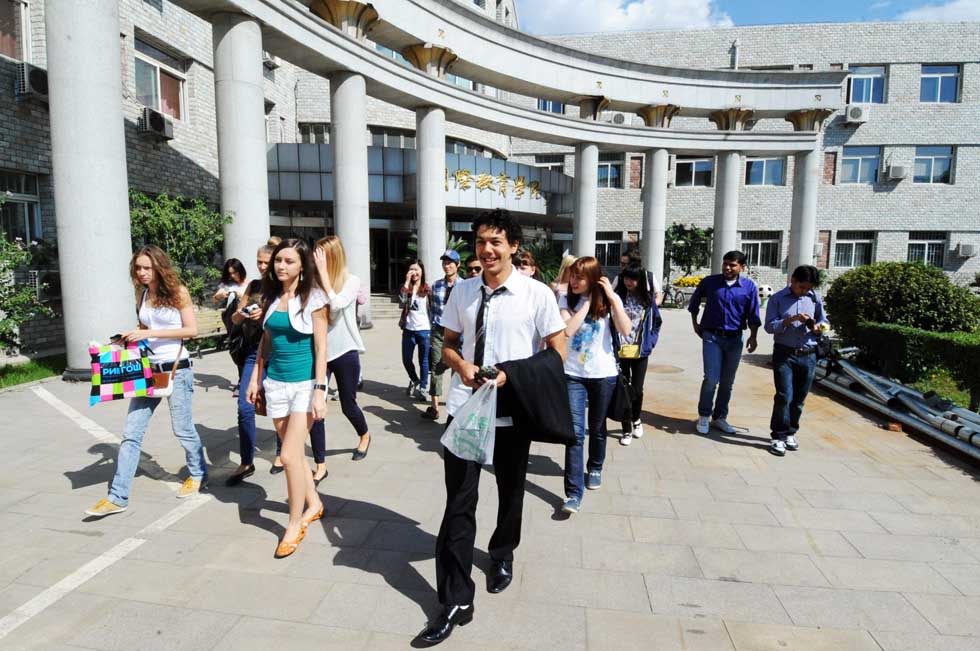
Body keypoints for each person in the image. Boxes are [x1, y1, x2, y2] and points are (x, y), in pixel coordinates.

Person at [416, 209, 566, 646]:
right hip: (466, 409)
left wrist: (511, 374)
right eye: (481, 241)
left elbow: (557, 351)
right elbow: (445, 344)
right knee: (458, 505)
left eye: (496, 241)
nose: (487, 249)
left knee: (510, 491)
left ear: (513, 246)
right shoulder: (461, 291)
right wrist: (460, 364)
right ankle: (456, 600)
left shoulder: (535, 294)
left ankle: (502, 552)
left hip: (512, 409)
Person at [85, 246, 207, 517]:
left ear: (159, 267)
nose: (141, 273)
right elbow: (145, 329)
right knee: (131, 433)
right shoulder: (143, 295)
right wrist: (130, 336)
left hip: (177, 369)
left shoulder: (178, 292)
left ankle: (198, 474)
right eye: (138, 268)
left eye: (147, 268)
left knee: (183, 429)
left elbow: (192, 330)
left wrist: (149, 332)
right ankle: (118, 497)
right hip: (147, 369)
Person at [246, 238, 328, 558]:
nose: (281, 266)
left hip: (305, 385)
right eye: (279, 260)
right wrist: (256, 377)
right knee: (294, 453)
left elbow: (322, 348)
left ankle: (294, 524)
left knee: (290, 455)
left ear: (302, 266)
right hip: (276, 384)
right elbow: (266, 342)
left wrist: (320, 391)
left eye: (289, 261)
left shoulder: (315, 298)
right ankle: (316, 503)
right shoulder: (269, 296)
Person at [558, 256, 631, 514]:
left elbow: (626, 329)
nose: (574, 281)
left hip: (603, 374)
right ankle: (573, 494)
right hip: (572, 374)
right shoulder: (565, 300)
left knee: (598, 427)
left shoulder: (610, 302)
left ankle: (596, 466)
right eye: (573, 276)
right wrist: (587, 304)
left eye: (580, 276)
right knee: (575, 434)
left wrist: (611, 298)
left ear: (593, 278)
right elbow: (567, 330)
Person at [688, 250, 761, 435]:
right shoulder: (710, 282)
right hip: (712, 336)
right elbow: (694, 302)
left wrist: (753, 336)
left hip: (735, 339)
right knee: (711, 379)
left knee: (727, 382)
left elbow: (753, 314)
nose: (727, 268)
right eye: (725, 264)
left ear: (742, 267)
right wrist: (695, 323)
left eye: (733, 265)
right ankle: (704, 415)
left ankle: (720, 417)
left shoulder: (749, 287)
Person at [313, 235, 372, 461]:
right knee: (317, 405)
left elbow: (336, 307)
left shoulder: (351, 280)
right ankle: (320, 462)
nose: (317, 262)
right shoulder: (316, 282)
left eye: (322, 257)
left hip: (345, 352)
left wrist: (325, 278)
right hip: (321, 353)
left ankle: (365, 435)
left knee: (349, 405)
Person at [764, 265, 828, 457]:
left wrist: (819, 327)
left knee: (799, 398)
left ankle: (791, 431)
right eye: (801, 287)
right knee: (784, 395)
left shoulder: (814, 298)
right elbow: (769, 327)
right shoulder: (777, 299)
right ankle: (778, 436)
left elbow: (825, 322)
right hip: (785, 353)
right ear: (792, 280)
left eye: (807, 288)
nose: (804, 291)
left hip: (808, 354)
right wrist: (788, 320)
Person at [225, 243, 274, 486]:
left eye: (267, 262)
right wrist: (242, 313)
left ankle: (283, 454)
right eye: (259, 261)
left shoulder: (285, 287)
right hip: (255, 352)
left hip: (280, 354)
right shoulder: (254, 286)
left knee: (281, 407)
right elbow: (235, 318)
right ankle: (246, 461)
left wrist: (264, 314)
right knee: (245, 407)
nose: (262, 266)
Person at [613, 263, 662, 446]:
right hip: (621, 350)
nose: (629, 282)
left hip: (640, 351)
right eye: (626, 278)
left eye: (633, 279)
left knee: (637, 389)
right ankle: (626, 429)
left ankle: (636, 419)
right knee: (623, 389)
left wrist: (651, 342)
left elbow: (657, 321)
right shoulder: (617, 297)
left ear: (640, 280)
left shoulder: (647, 300)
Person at [423, 250, 460, 421]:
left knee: (457, 369)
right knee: (436, 367)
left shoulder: (465, 285)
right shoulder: (436, 285)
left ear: (457, 264)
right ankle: (434, 407)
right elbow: (430, 308)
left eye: (450, 262)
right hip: (439, 331)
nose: (447, 265)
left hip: (460, 333)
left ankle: (456, 406)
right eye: (445, 262)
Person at [399, 260, 432, 402]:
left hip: (424, 330)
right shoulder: (407, 288)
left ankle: (423, 388)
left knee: (423, 361)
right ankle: (415, 380)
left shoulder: (427, 289)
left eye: (417, 269)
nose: (414, 272)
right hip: (409, 329)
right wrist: (406, 282)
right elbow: (401, 302)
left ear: (422, 271)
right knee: (406, 359)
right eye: (411, 269)